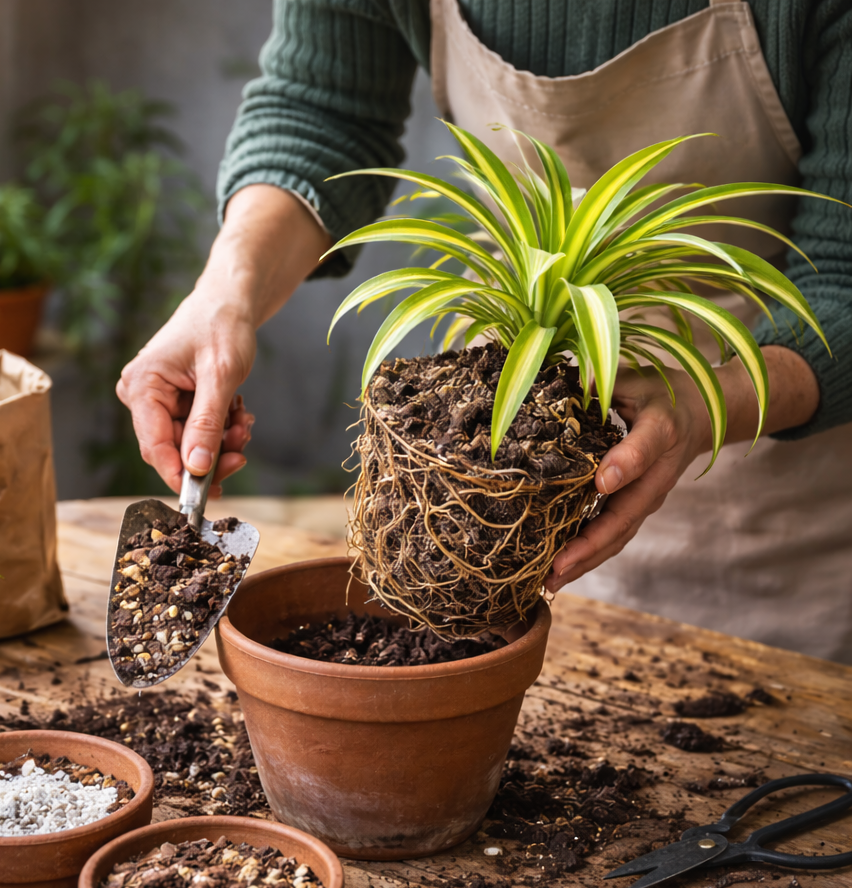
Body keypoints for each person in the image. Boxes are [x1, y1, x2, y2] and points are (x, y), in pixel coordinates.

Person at [117, 0, 852, 663]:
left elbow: (844, 275)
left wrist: (699, 408)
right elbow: (321, 109)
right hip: (506, 460)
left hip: (764, 485)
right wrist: (225, 295)